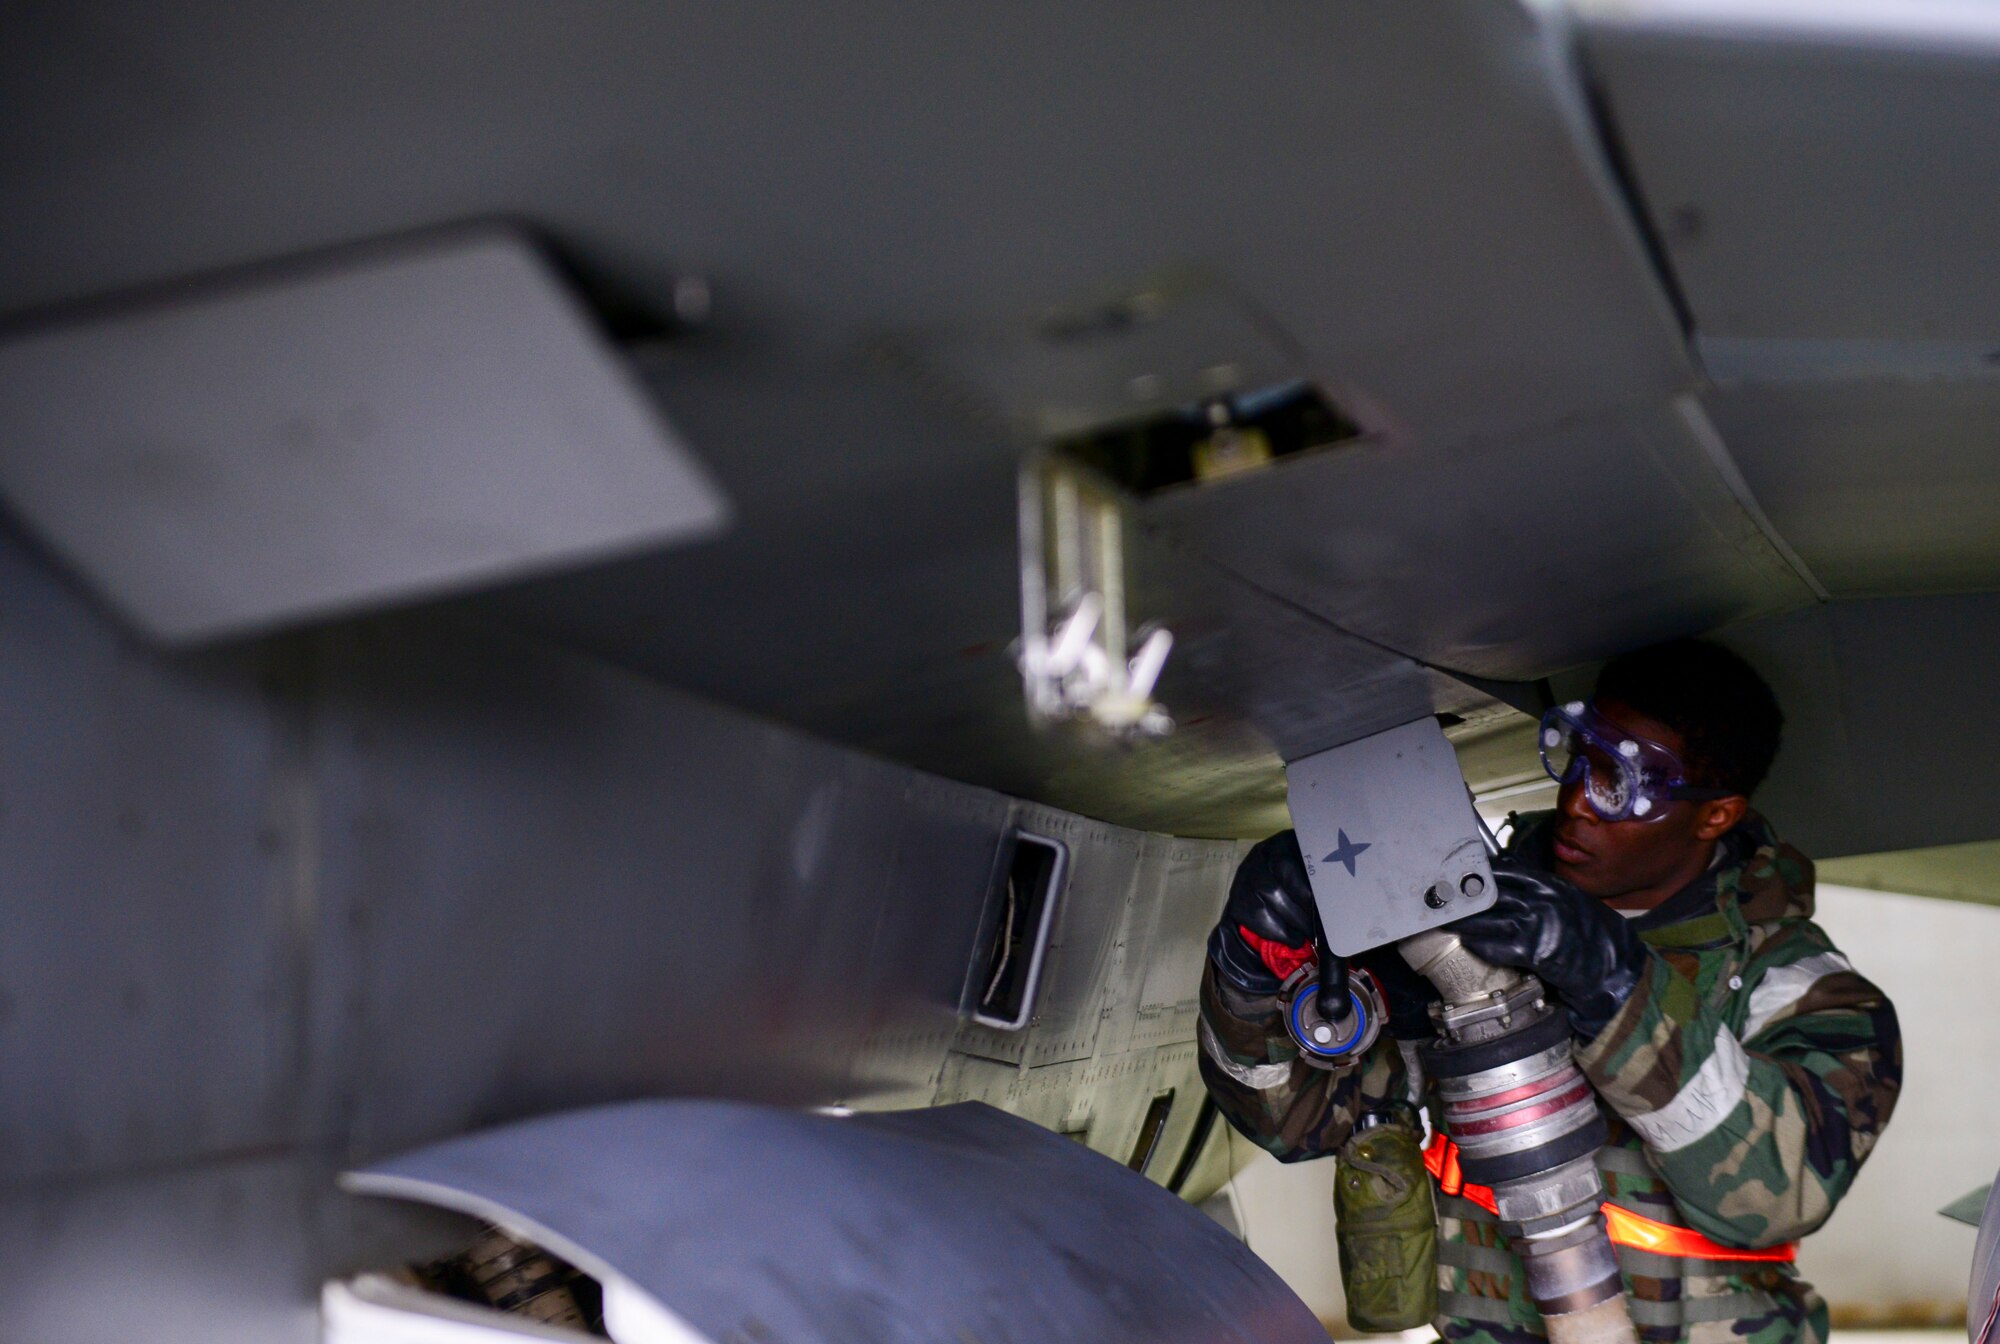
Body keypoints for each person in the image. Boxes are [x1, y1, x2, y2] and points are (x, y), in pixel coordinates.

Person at [1199, 640, 1902, 1344]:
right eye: (1580, 759)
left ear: (1716, 815)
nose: (1577, 804)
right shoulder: (1478, 931)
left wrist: (1611, 981)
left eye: (1622, 785)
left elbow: (1774, 1194)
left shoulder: (1803, 991)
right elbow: (1298, 1123)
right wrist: (1254, 966)